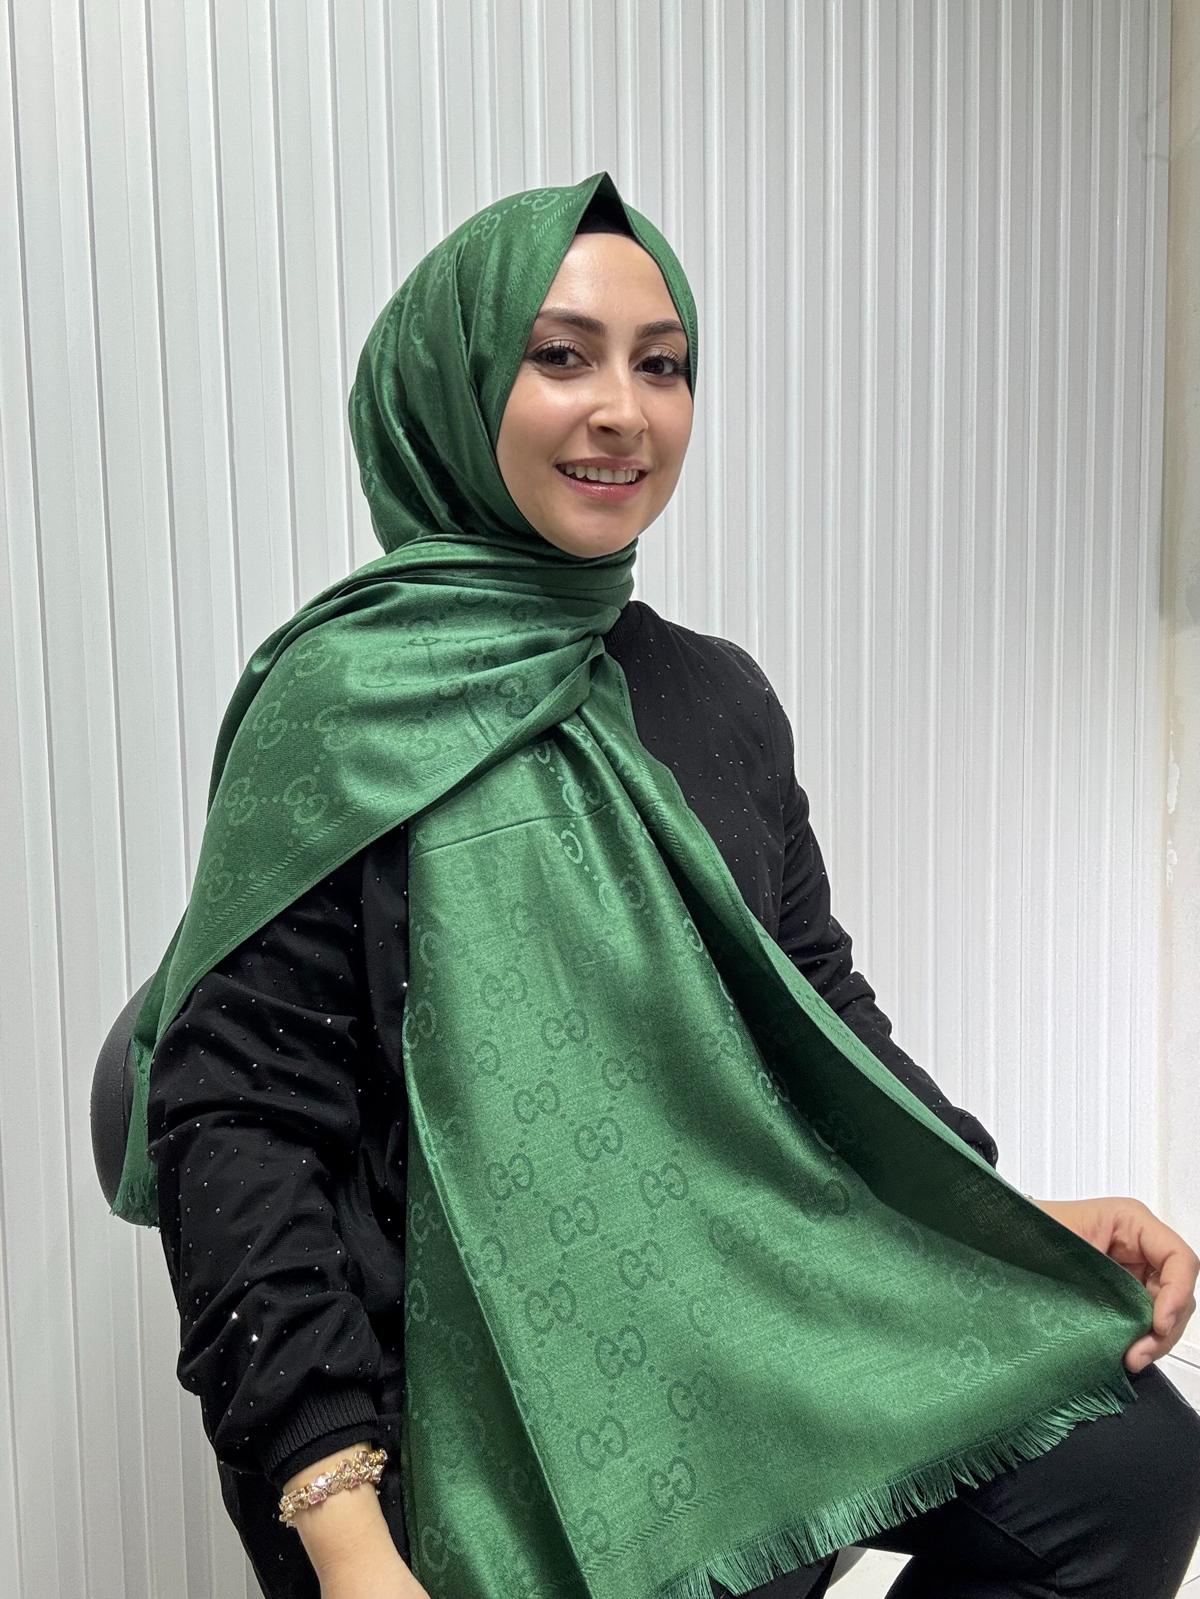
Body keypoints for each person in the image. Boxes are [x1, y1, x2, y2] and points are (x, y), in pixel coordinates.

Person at [134, 173, 1200, 1599]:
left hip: (737, 1294)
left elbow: (814, 1012)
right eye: (560, 356)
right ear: (453, 386)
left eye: (663, 365)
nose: (623, 411)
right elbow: (238, 1130)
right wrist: (343, 1534)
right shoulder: (338, 715)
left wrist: (1000, 1222)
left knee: (1130, 1467)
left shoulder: (714, 696)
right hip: (461, 1371)